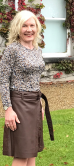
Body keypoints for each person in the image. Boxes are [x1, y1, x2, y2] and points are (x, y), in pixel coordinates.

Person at [0, 10, 54, 166]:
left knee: (32, 153)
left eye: (32, 25)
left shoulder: (37, 50)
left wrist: (40, 105)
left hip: (34, 102)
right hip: (19, 104)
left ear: (37, 28)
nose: (29, 29)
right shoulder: (12, 50)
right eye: (24, 26)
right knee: (22, 154)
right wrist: (8, 109)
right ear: (18, 28)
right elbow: (3, 80)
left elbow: (35, 79)